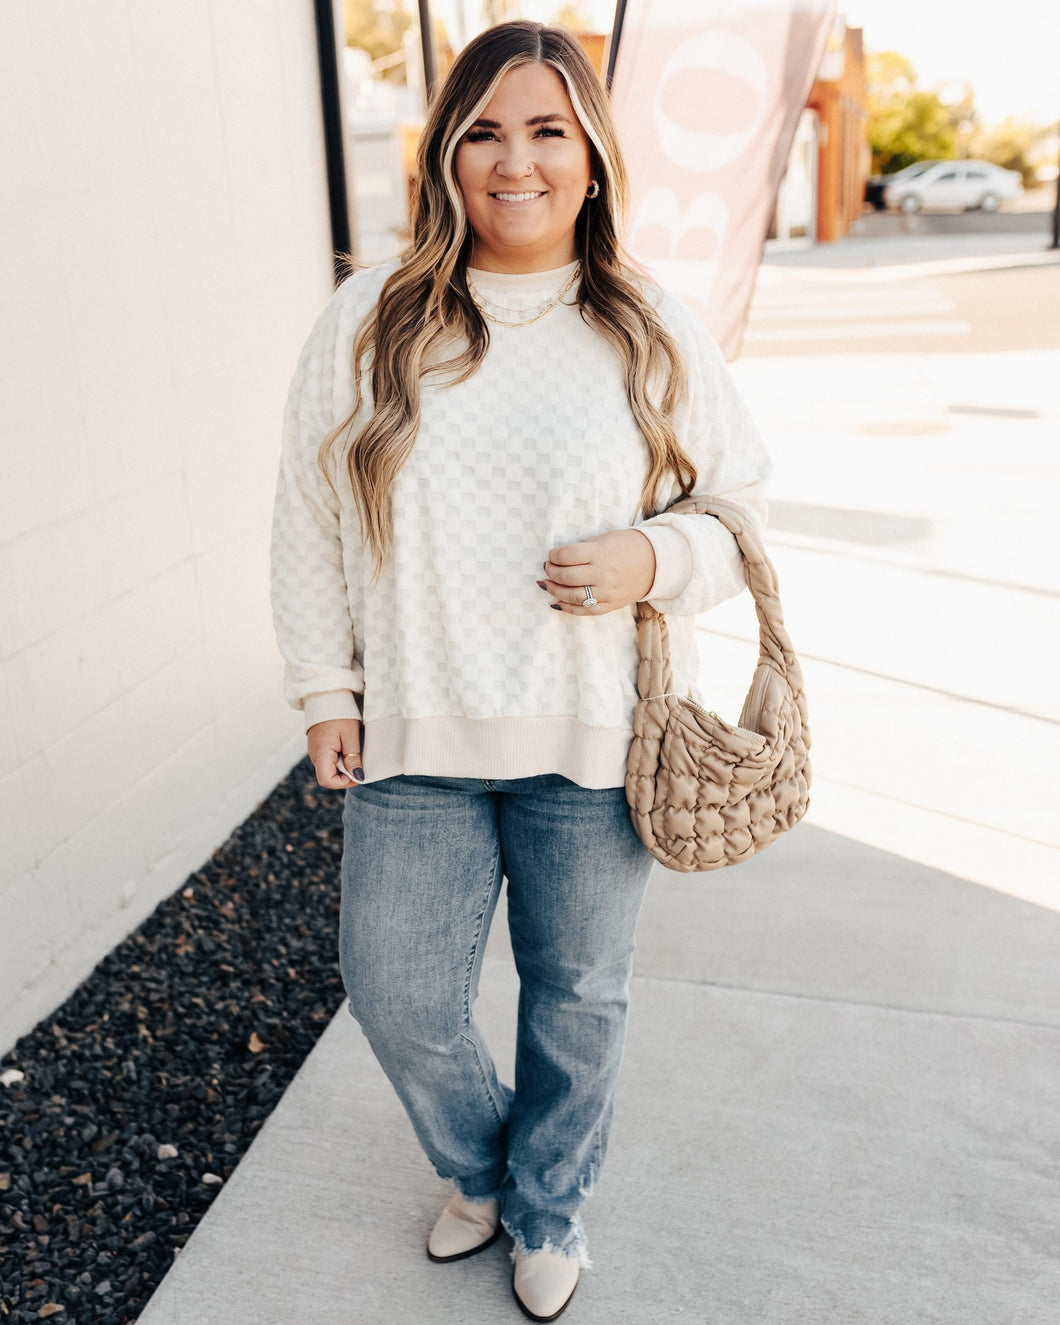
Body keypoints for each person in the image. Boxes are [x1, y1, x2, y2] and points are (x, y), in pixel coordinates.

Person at [271, 20, 770, 1322]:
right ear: (445, 153)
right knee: (394, 987)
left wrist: (651, 559)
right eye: (485, 129)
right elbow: (308, 516)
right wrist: (326, 686)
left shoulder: (650, 323)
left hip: (595, 734)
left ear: (593, 156)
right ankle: (485, 1163)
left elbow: (746, 516)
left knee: (578, 992)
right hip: (417, 734)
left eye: (549, 128)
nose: (516, 160)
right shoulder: (369, 320)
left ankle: (549, 1204)